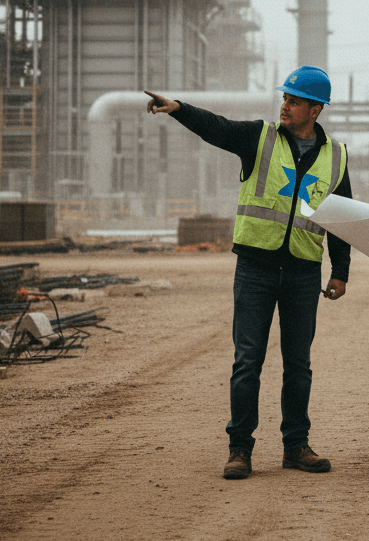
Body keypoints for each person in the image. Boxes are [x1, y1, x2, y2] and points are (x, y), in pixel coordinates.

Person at [145, 65, 352, 480]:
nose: (285, 105)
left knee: (299, 365)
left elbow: (341, 219)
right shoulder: (260, 138)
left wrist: (340, 271)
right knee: (247, 362)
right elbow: (216, 128)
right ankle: (240, 449)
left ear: (316, 109)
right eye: (285, 98)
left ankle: (296, 446)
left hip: (303, 272)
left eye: (294, 100)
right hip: (255, 268)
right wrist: (179, 109)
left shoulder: (336, 156)